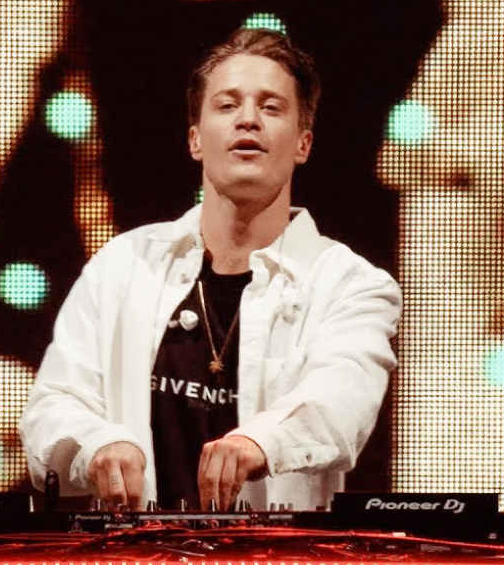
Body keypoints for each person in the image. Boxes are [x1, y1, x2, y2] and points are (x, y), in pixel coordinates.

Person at [20, 27, 399, 513]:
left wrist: (259, 442)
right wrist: (98, 445)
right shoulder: (122, 265)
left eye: (271, 107)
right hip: (133, 557)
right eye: (227, 105)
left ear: (303, 143)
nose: (248, 119)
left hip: (276, 559)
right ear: (195, 140)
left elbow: (340, 404)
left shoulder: (350, 284)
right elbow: (52, 406)